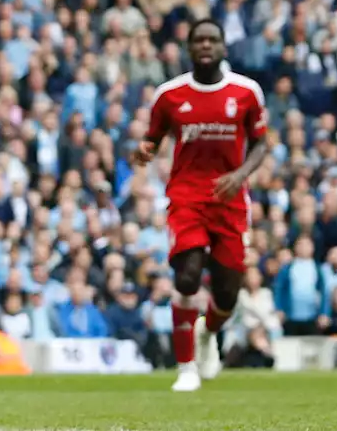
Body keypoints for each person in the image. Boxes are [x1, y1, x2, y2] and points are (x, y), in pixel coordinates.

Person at [133, 20, 270, 393]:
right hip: (186, 197)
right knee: (188, 275)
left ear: (224, 47)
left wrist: (240, 174)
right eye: (199, 40)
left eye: (212, 39)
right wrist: (144, 151)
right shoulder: (170, 95)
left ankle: (207, 334)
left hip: (230, 201)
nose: (206, 45)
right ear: (189, 48)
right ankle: (186, 367)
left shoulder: (246, 92)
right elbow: (152, 138)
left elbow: (260, 144)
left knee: (227, 292)